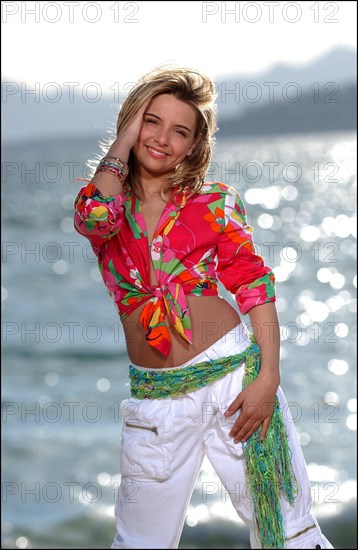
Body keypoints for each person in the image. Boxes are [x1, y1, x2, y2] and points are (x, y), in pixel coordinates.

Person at [73, 66, 333, 549]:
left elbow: (253, 282)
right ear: (132, 125)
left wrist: (268, 376)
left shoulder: (214, 201)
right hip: (156, 398)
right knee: (137, 544)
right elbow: (92, 221)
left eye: (180, 131)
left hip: (232, 378)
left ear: (194, 145)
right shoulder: (105, 202)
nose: (162, 139)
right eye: (151, 122)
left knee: (288, 531)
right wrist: (124, 139)